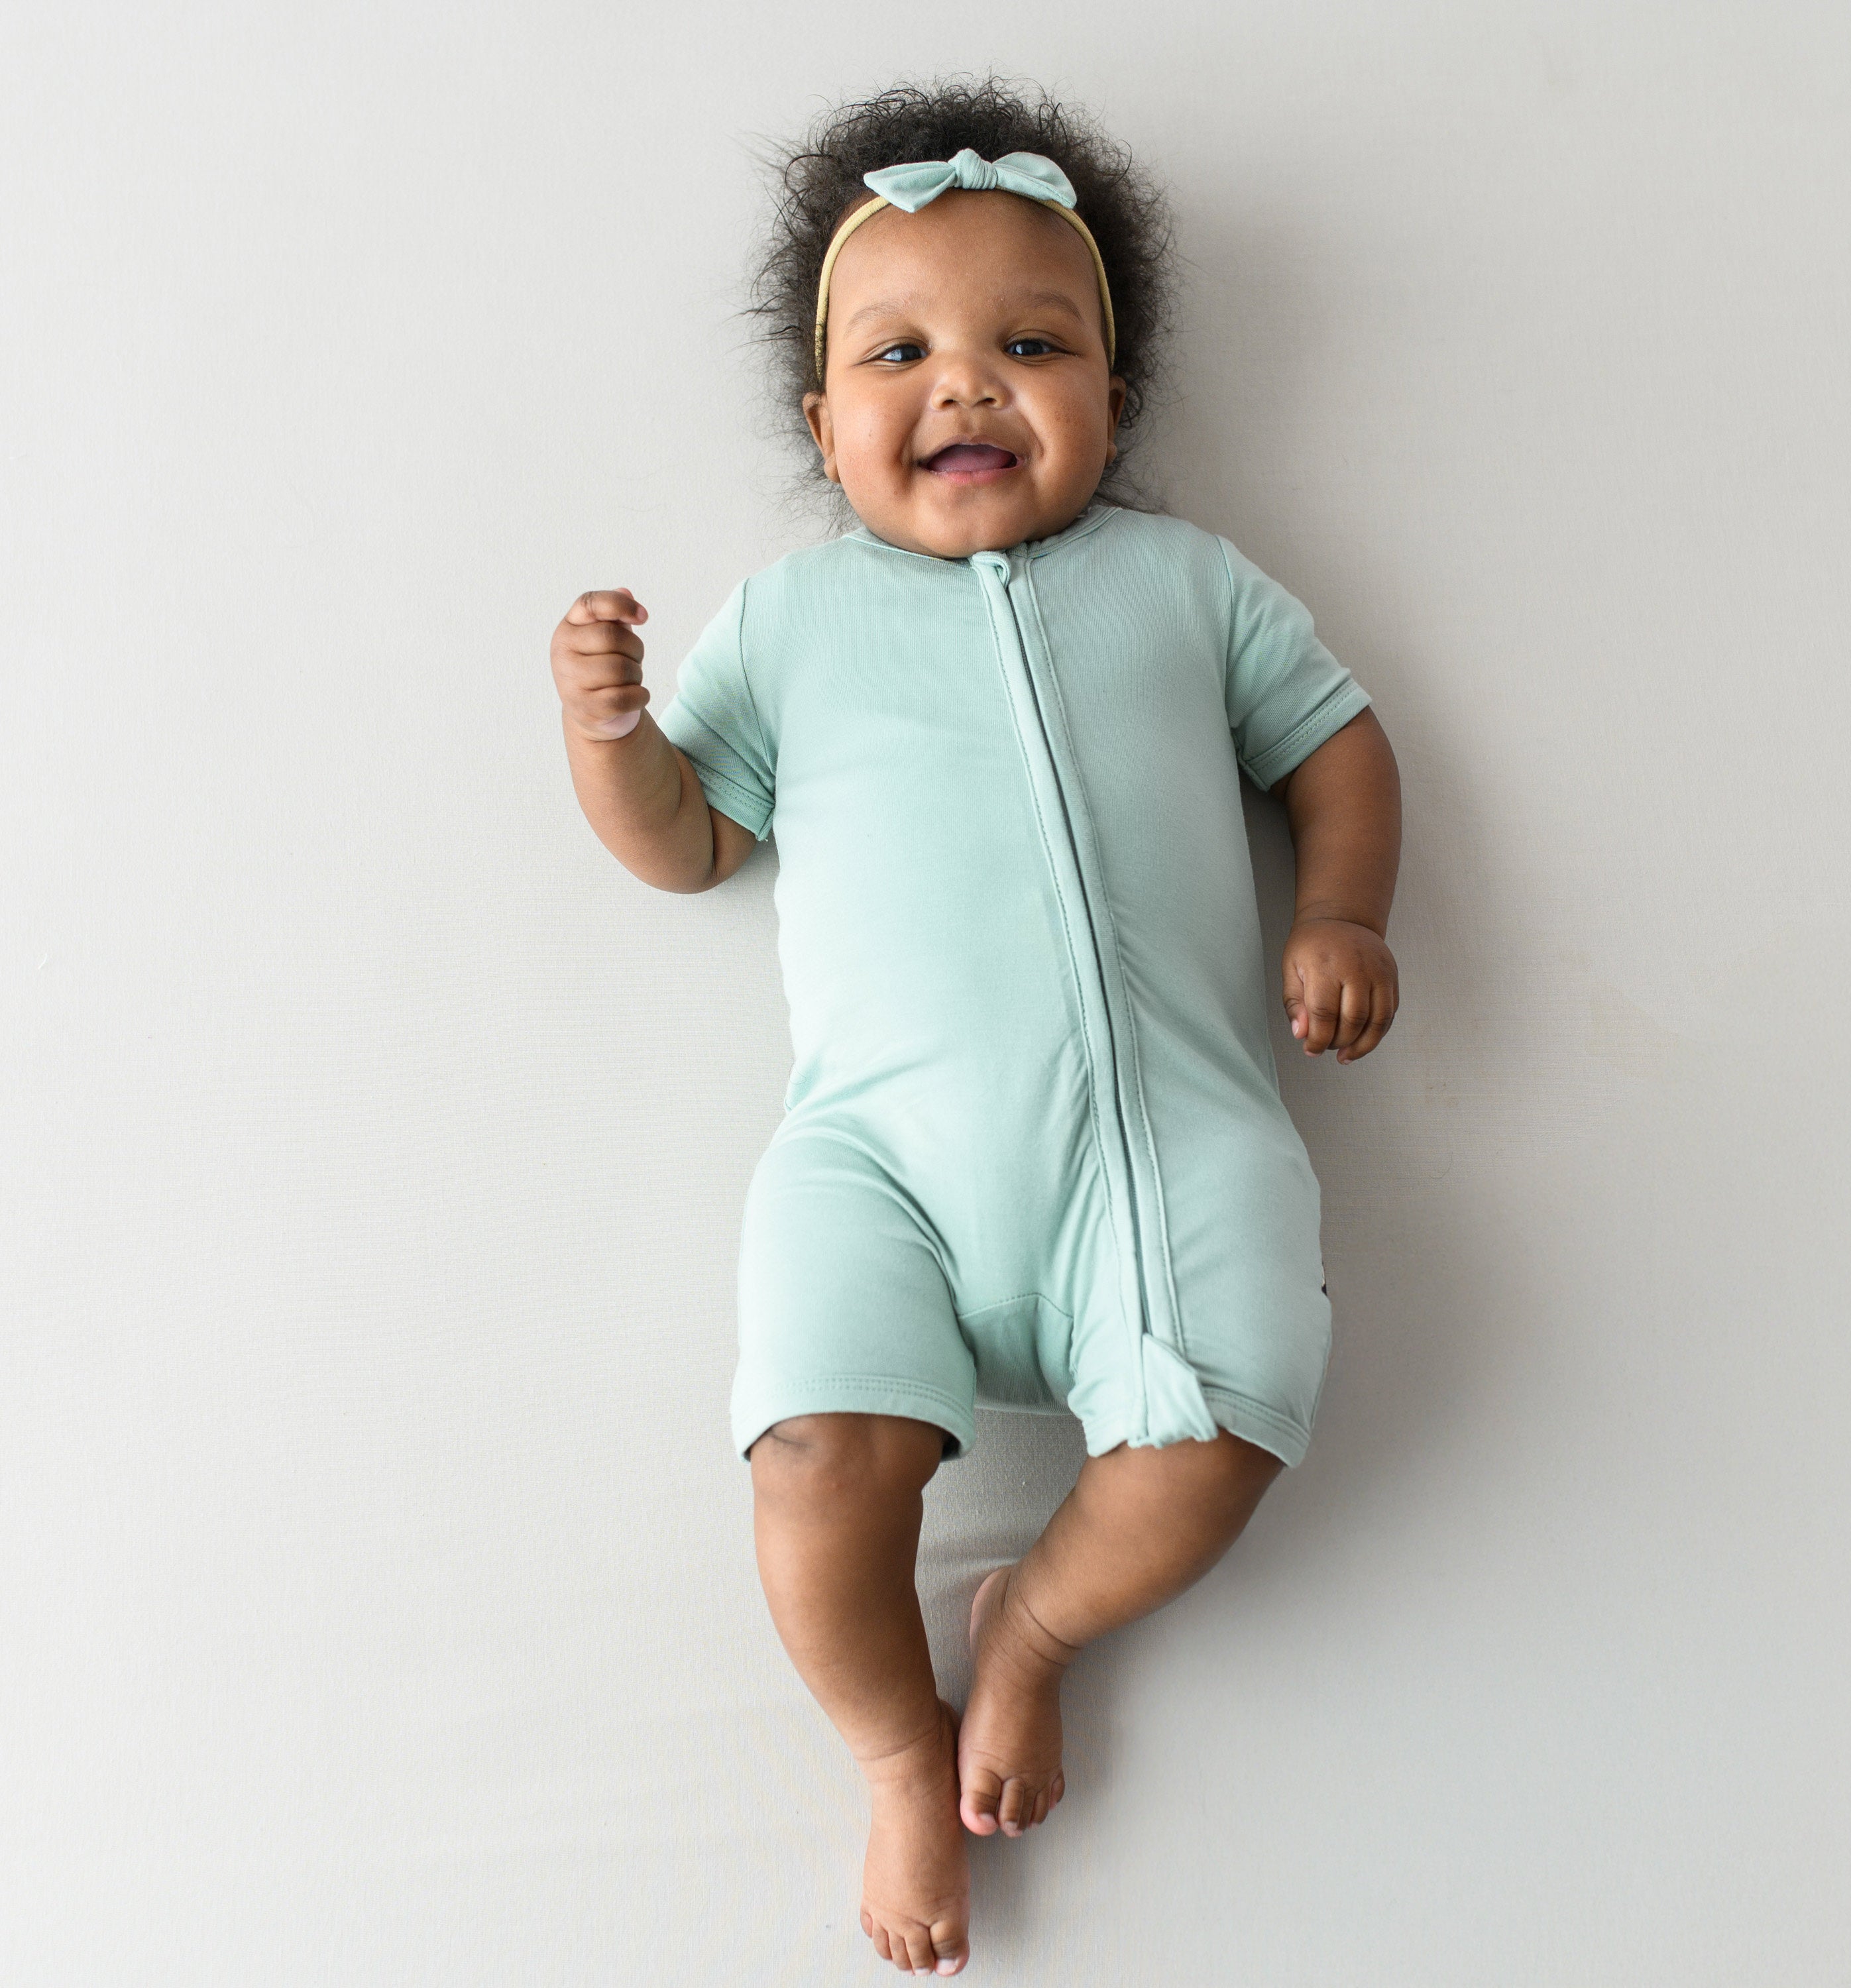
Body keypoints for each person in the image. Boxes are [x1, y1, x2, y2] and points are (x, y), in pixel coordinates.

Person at [547, 77, 1402, 1979]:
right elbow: (692, 846)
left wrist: (1342, 907)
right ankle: (887, 1745)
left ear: (1115, 386)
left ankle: (1029, 1630)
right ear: (820, 421)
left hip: (1166, 1140)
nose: (969, 385)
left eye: (1036, 343)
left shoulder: (1190, 587)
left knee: (1226, 1436)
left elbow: (1335, 745)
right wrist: (614, 735)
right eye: (902, 351)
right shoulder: (790, 624)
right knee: (811, 1464)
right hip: (884, 1160)